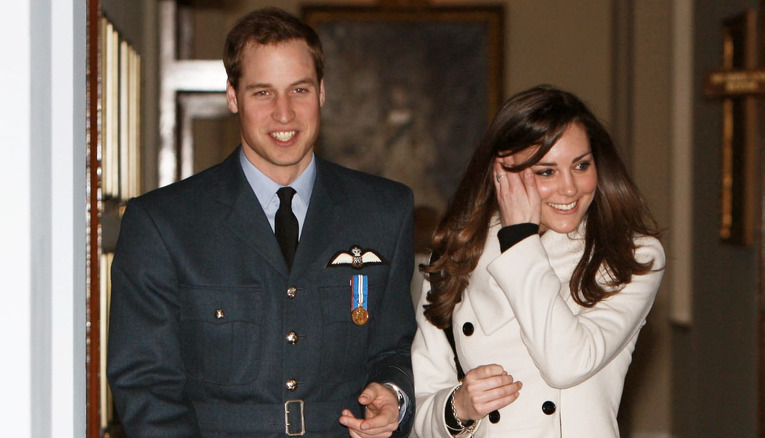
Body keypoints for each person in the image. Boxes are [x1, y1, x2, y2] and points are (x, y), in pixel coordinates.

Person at [107, 8, 416, 438]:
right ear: (232, 97)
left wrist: (393, 396)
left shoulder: (385, 210)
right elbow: (146, 385)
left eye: (299, 90)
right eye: (262, 93)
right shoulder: (163, 224)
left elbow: (396, 349)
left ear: (322, 92)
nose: (284, 114)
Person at [411, 85, 665, 438]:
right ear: (504, 173)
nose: (570, 188)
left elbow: (565, 364)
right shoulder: (456, 255)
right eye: (547, 171)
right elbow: (420, 406)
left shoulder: (631, 255)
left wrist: (519, 240)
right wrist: (458, 408)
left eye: (581, 165)